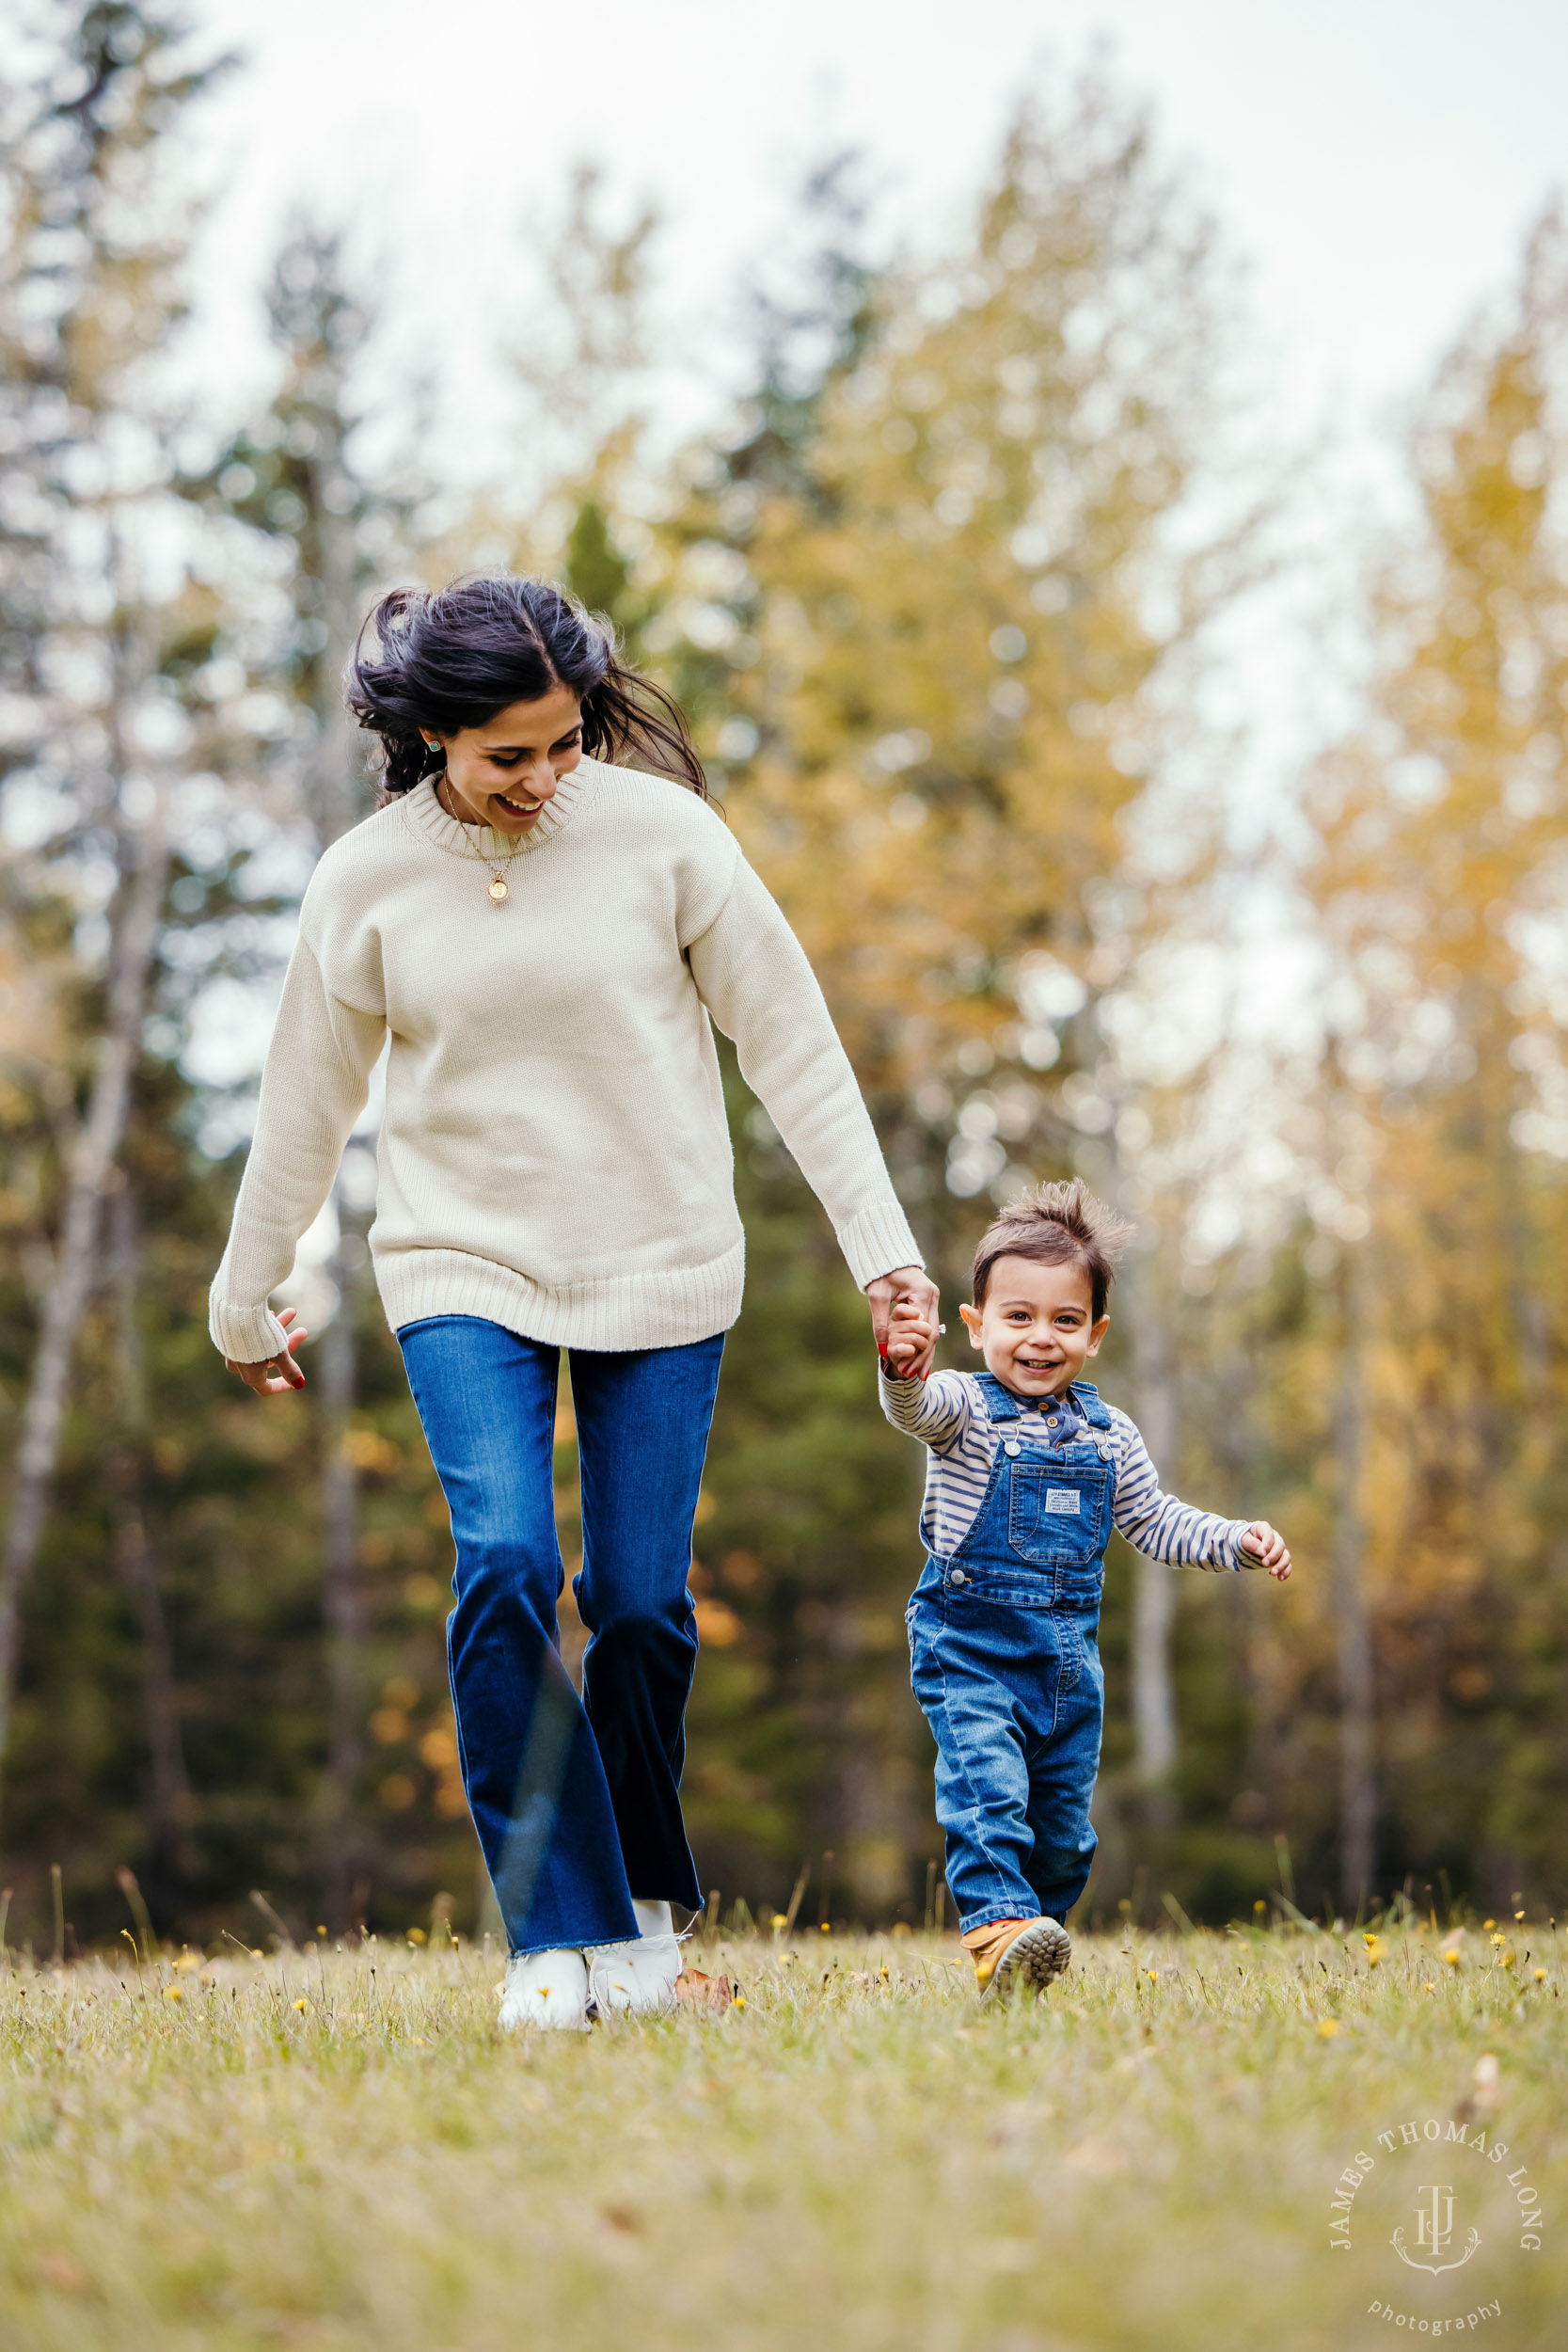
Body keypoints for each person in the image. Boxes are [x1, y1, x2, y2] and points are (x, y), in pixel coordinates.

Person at [209, 574, 937, 2030]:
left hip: (657, 1255)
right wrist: (247, 1290)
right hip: (458, 1259)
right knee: (501, 1564)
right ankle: (551, 1934)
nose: (545, 779)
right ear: (430, 737)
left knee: (646, 1606)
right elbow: (303, 1102)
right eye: (507, 757)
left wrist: (887, 1253)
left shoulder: (662, 837)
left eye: (563, 743)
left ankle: (646, 1916)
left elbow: (788, 1047)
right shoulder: (365, 880)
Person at [879, 1179, 1290, 2000]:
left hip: (1067, 1669)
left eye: (1064, 1321)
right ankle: (997, 1927)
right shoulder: (963, 1407)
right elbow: (914, 1410)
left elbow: (1154, 1520)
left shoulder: (1110, 1436)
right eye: (1017, 1317)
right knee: (987, 1791)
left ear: (1094, 1334)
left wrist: (1234, 1541)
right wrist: (901, 1367)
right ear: (977, 1323)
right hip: (970, 1653)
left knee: (1063, 1832)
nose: (1040, 1339)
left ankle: (1031, 1942)